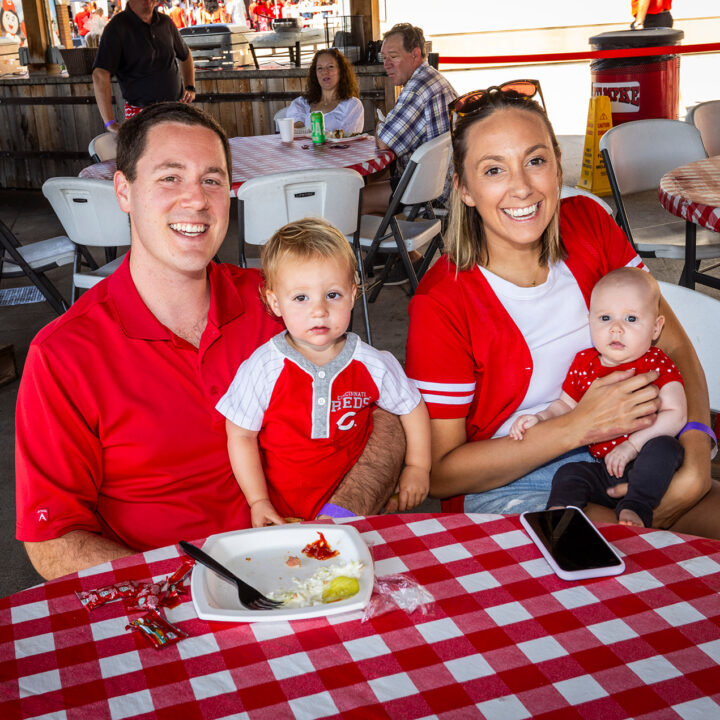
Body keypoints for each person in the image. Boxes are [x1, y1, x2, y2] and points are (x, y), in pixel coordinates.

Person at [15, 103, 404, 581]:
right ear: (123, 190)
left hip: (313, 566)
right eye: (170, 177)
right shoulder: (64, 354)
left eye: (213, 180)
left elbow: (385, 407)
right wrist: (200, 584)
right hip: (172, 599)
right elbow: (52, 540)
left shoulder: (278, 300)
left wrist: (339, 522)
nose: (197, 200)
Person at [404, 83, 720, 538]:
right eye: (493, 170)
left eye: (535, 161)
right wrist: (578, 426)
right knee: (630, 556)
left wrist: (694, 451)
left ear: (557, 164)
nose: (521, 188)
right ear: (464, 188)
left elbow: (671, 342)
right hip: (517, 481)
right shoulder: (442, 303)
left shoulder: (589, 223)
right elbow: (442, 474)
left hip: (642, 450)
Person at [217, 218, 430, 526]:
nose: (319, 310)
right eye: (301, 298)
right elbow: (240, 434)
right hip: (283, 513)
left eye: (332, 295)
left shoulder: (372, 363)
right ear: (275, 302)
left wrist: (417, 466)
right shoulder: (264, 367)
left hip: (353, 511)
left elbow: (411, 407)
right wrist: (258, 500)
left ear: (353, 294)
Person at [510, 268, 686, 527]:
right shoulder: (585, 363)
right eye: (605, 317)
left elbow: (677, 414)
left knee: (665, 448)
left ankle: (637, 507)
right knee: (569, 472)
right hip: (605, 468)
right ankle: (560, 512)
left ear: (655, 328)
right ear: (589, 321)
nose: (616, 328)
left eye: (631, 318)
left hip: (647, 460)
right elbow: (565, 405)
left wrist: (632, 445)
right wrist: (539, 418)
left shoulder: (656, 363)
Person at [363, 23, 457, 282]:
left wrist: (382, 126)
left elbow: (385, 141)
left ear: (415, 54)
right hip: (443, 181)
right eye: (384, 58)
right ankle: (398, 256)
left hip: (432, 191)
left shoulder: (418, 87)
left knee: (352, 199)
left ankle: (398, 258)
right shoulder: (432, 78)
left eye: (394, 57)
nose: (387, 64)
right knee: (373, 181)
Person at [91, 0, 196, 133]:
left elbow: (185, 55)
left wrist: (190, 86)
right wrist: (110, 123)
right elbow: (100, 74)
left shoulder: (165, 22)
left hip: (177, 109)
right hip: (141, 116)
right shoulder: (117, 27)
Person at [285, 48, 364, 135]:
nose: (325, 72)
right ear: (315, 74)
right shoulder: (302, 103)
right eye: (320, 68)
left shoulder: (352, 105)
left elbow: (348, 139)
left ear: (341, 71)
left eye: (330, 67)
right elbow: (295, 132)